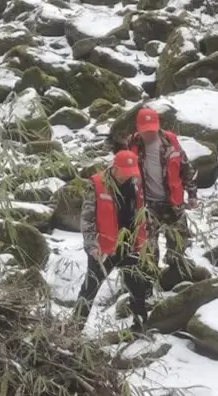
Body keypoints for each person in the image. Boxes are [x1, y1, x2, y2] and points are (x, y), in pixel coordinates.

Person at [72, 150, 152, 331]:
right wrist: (91, 245)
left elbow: (142, 212)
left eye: (131, 172)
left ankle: (140, 326)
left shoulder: (136, 182)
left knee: (137, 287)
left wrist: (145, 238)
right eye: (125, 172)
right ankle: (73, 329)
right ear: (115, 168)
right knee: (89, 289)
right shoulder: (97, 184)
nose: (128, 176)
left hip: (129, 244)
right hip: (103, 247)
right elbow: (87, 218)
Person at [126, 108, 198, 281]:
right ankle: (150, 283)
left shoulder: (170, 141)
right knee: (148, 249)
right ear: (138, 128)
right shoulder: (133, 144)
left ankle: (177, 279)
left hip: (173, 202)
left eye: (152, 129)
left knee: (178, 244)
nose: (150, 133)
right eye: (146, 130)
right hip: (147, 204)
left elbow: (186, 167)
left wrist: (192, 193)